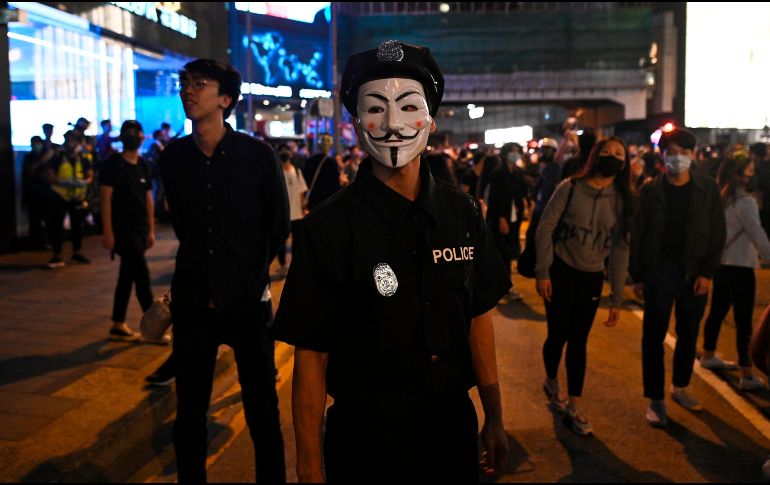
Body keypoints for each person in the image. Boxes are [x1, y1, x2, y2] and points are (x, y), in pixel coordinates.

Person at [272, 40, 511, 483]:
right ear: (356, 124)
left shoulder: (463, 214)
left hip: (451, 433)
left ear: (431, 120)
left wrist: (494, 415)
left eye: (408, 107)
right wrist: (308, 467)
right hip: (365, 443)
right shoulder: (327, 228)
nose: (393, 124)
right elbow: (311, 355)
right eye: (376, 109)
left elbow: (478, 316)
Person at [159, 58, 289, 483]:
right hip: (193, 302)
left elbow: (278, 224)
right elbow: (183, 224)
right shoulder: (174, 158)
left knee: (262, 411)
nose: (188, 90)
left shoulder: (257, 155)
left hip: (247, 303)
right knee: (189, 412)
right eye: (185, 83)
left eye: (200, 83)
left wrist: (251, 276)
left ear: (226, 99)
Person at [535, 137, 632, 436]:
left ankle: (574, 405)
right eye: (606, 152)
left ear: (625, 163)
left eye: (619, 154)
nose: (612, 157)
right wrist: (543, 272)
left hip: (591, 276)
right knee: (557, 335)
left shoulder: (622, 200)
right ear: (594, 157)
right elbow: (545, 228)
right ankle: (552, 381)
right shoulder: (570, 187)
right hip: (561, 270)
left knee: (579, 340)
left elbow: (620, 250)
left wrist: (616, 297)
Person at [630, 127, 726, 427]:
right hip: (659, 271)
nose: (679, 158)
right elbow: (638, 235)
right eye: (672, 153)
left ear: (693, 155)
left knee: (689, 334)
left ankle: (680, 386)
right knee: (653, 337)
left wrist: (707, 273)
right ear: (662, 156)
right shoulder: (650, 191)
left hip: (694, 272)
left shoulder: (707, 189)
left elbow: (717, 233)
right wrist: (638, 276)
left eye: (684, 152)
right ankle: (655, 399)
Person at [699, 152, 770, 390]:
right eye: (750, 168)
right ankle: (746, 373)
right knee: (743, 319)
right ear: (740, 173)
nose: (753, 171)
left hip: (722, 264)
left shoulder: (721, 197)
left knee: (717, 311)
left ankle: (708, 354)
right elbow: (757, 233)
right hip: (741, 266)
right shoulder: (745, 202)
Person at [100, 120, 156, 342]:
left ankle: (117, 323)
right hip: (122, 231)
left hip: (140, 230)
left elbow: (148, 199)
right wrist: (107, 232)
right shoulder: (113, 164)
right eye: (129, 132)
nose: (134, 136)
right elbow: (105, 199)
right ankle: (153, 327)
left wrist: (151, 230)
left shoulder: (144, 165)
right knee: (142, 277)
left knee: (126, 277)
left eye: (136, 132)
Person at [45, 130, 93, 268]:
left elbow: (90, 174)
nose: (70, 143)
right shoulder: (58, 156)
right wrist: (61, 183)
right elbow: (50, 175)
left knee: (77, 225)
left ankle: (77, 252)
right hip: (60, 195)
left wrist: (85, 182)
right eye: (68, 139)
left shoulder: (83, 157)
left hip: (77, 196)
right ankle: (57, 255)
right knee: (56, 225)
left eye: (73, 140)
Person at [276, 149, 308, 275]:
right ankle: (294, 264)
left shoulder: (278, 173)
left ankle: (284, 264)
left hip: (284, 213)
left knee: (282, 239)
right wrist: (303, 207)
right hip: (296, 213)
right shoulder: (297, 171)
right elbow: (302, 192)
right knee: (296, 240)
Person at [22, 136, 51, 249]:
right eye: (34, 143)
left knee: (47, 219)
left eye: (37, 143)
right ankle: (37, 242)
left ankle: (48, 241)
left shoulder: (48, 155)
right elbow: (27, 174)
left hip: (45, 193)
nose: (36, 145)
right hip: (33, 194)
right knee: (34, 220)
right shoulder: (29, 156)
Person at [302, 134, 341, 211]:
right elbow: (335, 187)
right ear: (331, 146)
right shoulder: (331, 163)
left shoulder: (310, 161)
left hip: (312, 201)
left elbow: (305, 181)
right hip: (326, 203)